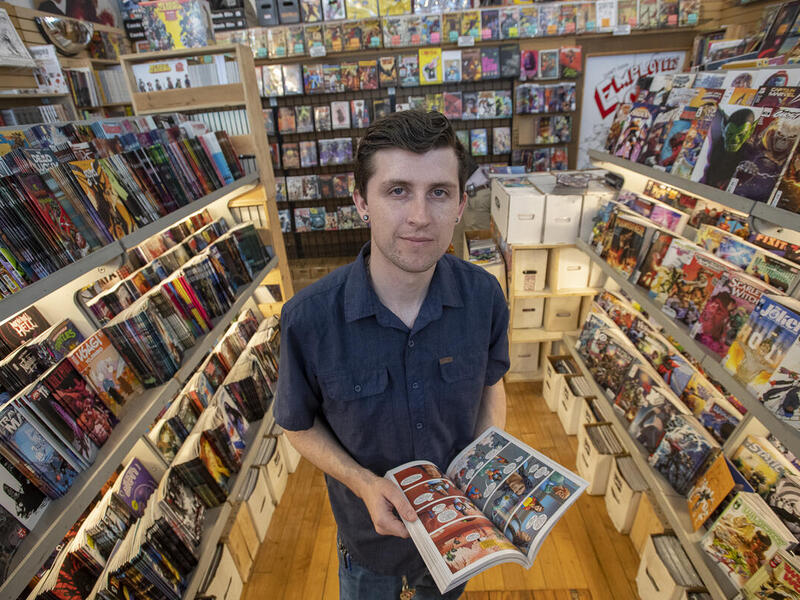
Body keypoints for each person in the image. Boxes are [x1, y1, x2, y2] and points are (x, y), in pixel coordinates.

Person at [274, 110, 510, 600]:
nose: (421, 216)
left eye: (439, 192)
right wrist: (362, 483)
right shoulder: (309, 319)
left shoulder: (485, 296)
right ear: (361, 201)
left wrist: (485, 466)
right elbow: (297, 424)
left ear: (462, 203)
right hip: (368, 543)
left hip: (457, 537)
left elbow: (490, 385)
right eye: (397, 190)